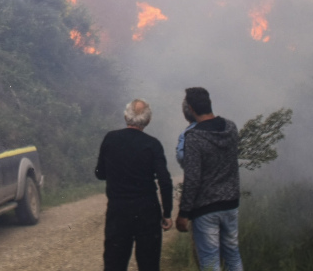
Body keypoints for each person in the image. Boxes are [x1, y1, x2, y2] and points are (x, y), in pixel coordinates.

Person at [95, 99, 174, 271]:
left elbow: (100, 174)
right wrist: (166, 213)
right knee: (149, 265)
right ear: (148, 120)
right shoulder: (153, 144)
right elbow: (165, 181)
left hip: (118, 212)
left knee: (114, 265)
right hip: (148, 213)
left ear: (126, 116)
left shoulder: (110, 139)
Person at [175, 87, 243, 271]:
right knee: (233, 256)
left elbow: (193, 179)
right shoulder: (230, 127)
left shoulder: (194, 137)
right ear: (209, 103)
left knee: (210, 262)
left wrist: (184, 213)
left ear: (191, 108)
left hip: (206, 209)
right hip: (230, 204)